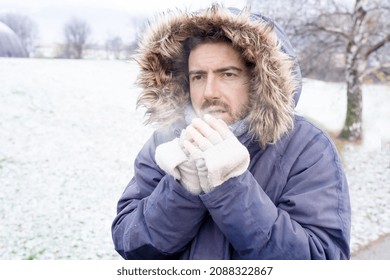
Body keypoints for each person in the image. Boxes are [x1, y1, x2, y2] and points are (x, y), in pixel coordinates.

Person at [111, 4, 351, 260]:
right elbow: (130, 243)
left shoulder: (307, 147)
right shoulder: (166, 141)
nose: (209, 92)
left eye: (227, 74)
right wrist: (182, 190)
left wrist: (230, 186)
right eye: (198, 77)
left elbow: (323, 259)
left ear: (258, 79)